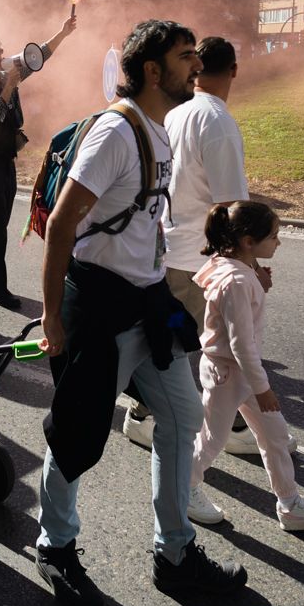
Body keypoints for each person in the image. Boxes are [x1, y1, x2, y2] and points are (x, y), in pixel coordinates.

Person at [33, 20, 248, 606]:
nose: (194, 68)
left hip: (146, 302)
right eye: (184, 59)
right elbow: (61, 224)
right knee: (77, 431)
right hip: (97, 305)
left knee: (181, 417)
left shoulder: (159, 129)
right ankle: (55, 545)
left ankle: (175, 555)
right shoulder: (116, 132)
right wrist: (53, 318)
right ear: (153, 71)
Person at [126, 35, 257, 452]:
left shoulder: (178, 111)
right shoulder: (217, 122)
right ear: (234, 70)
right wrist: (247, 266)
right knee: (218, 347)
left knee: (187, 343)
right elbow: (230, 206)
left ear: (198, 68)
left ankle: (171, 416)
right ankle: (174, 422)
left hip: (172, 248)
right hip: (199, 257)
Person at [185, 201, 304, 533]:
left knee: (275, 435)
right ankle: (184, 488)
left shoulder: (232, 264)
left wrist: (258, 284)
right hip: (229, 374)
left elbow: (214, 281)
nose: (278, 242)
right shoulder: (237, 281)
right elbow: (241, 345)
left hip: (238, 373)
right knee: (212, 439)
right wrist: (263, 389)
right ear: (247, 242)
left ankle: (290, 504)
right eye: (273, 236)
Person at [0, 14, 77, 309]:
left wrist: (62, 33)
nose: (0, 57)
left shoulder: (6, 72)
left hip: (5, 158)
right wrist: (8, 86)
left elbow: (37, 57)